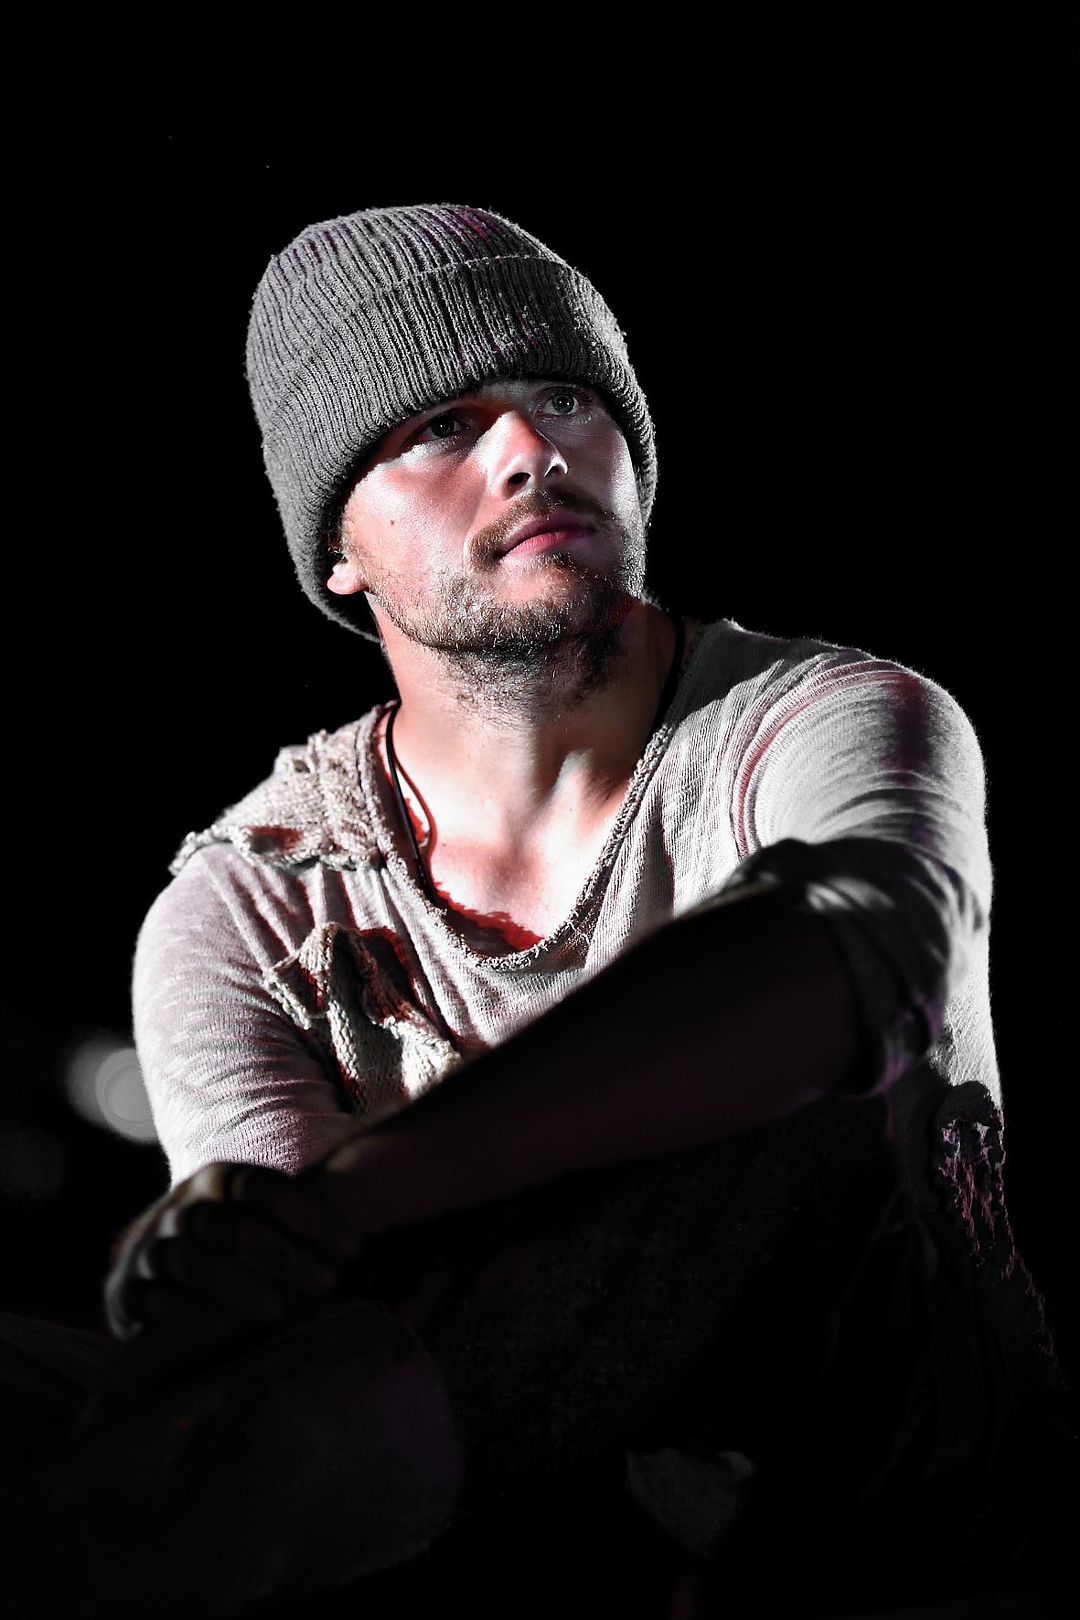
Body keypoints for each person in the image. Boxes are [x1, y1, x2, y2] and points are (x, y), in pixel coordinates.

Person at [3, 203, 1075, 1620]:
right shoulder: (251, 910)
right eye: (442, 426)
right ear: (339, 551)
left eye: (567, 397)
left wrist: (361, 1187)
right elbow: (306, 1341)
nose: (531, 450)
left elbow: (853, 955)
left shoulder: (826, 722)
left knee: (795, 1087)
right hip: (514, 1568)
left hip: (906, 1538)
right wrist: (246, 1256)